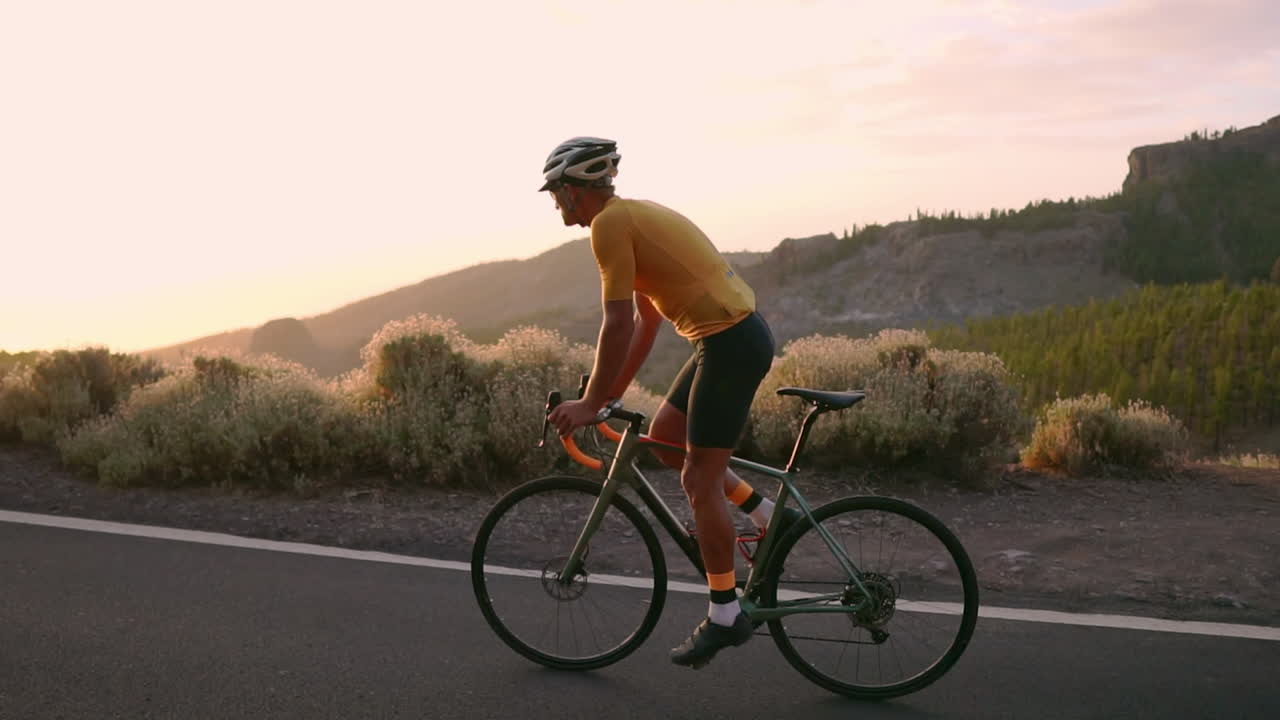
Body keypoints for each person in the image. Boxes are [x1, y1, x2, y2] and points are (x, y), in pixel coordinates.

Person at [541, 136, 789, 668]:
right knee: (668, 442)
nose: (556, 204)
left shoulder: (609, 225)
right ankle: (769, 515)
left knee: (699, 480)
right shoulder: (628, 217)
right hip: (724, 338)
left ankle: (724, 615)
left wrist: (588, 402)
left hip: (728, 342)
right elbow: (647, 320)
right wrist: (608, 394)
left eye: (556, 193)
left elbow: (617, 323)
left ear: (573, 191)